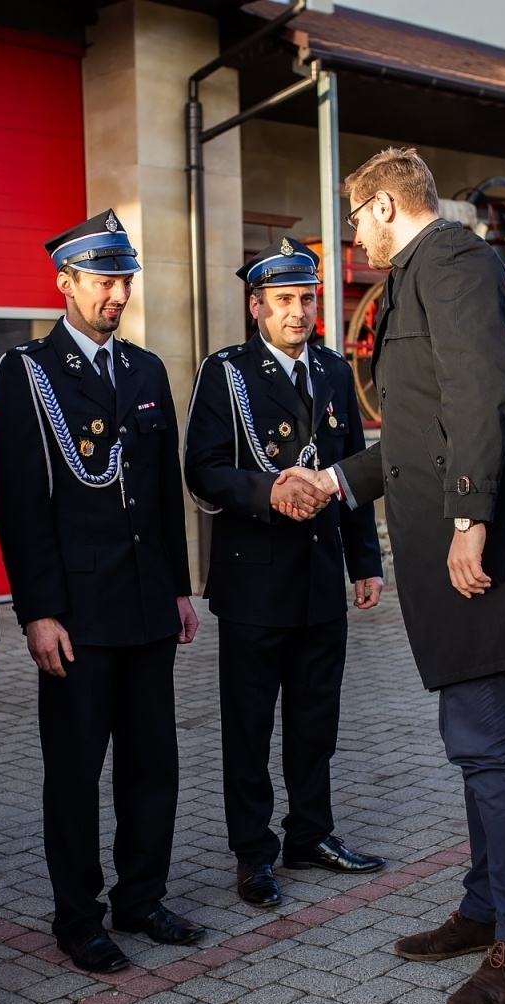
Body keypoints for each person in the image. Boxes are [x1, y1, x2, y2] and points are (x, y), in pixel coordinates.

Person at [287, 147, 505, 1004]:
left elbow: (482, 395)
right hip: (460, 542)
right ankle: (488, 907)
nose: (351, 236)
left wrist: (468, 518)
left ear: (382, 205)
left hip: (477, 551)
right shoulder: (425, 270)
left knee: (490, 745)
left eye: (353, 216)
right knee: (475, 740)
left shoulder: (448, 261)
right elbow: (421, 427)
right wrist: (338, 482)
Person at [0, 210, 204, 974]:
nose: (117, 293)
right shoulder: (29, 372)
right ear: (66, 283)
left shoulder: (145, 370)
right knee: (76, 773)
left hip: (147, 606)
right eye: (103, 279)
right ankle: (77, 915)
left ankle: (141, 897)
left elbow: (161, 490)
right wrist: (38, 611)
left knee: (153, 764)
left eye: (124, 280)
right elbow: (17, 502)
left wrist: (181, 589)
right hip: (77, 615)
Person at [183, 238, 386, 909]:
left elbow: (352, 468)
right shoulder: (227, 373)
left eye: (306, 299)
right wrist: (266, 491)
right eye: (283, 301)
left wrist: (365, 562)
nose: (298, 312)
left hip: (320, 578)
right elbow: (201, 469)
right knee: (248, 728)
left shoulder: (330, 371)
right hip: (253, 584)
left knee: (314, 720)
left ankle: (311, 833)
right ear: (256, 306)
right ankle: (253, 853)